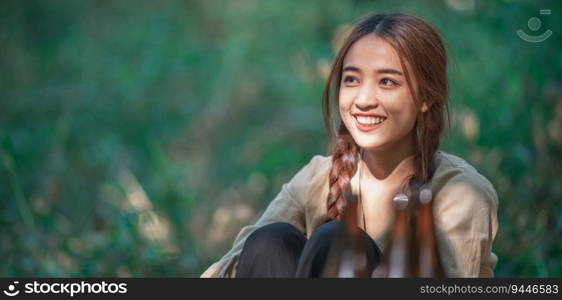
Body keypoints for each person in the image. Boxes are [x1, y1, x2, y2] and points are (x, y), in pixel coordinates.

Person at [200, 12, 498, 278]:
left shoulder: (461, 191)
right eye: (352, 79)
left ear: (426, 99)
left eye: (387, 82)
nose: (364, 100)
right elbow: (233, 263)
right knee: (270, 243)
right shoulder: (320, 175)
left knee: (338, 243)